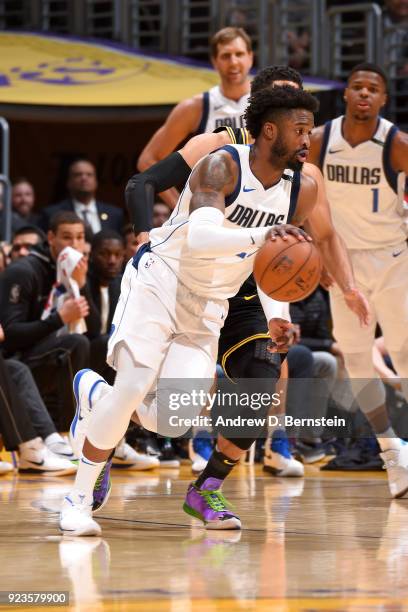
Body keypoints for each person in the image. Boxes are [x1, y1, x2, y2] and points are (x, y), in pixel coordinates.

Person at [60, 85, 368, 536]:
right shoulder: (222, 163)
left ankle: (93, 397)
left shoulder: (299, 190)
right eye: (299, 129)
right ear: (269, 130)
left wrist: (278, 312)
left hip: (211, 303)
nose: (307, 140)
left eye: (310, 130)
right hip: (162, 279)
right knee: (133, 384)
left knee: (174, 419)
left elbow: (270, 266)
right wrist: (264, 238)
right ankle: (78, 499)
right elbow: (204, 238)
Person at [309, 62, 408, 498]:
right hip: (342, 263)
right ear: (345, 94)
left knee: (405, 359)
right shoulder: (318, 141)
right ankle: (391, 453)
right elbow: (302, 201)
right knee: (355, 361)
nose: (365, 94)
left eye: (374, 89)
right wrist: (318, 254)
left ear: (383, 100)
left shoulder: (397, 144)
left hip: (392, 261)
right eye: (358, 87)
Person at [137, 27, 253, 207]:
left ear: (250, 57)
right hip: (214, 206)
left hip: (257, 205)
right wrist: (180, 206)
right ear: (214, 61)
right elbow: (148, 160)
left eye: (239, 54)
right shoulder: (196, 107)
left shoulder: (268, 101)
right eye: (225, 56)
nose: (233, 62)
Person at [0, 211, 92, 430]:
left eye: (80, 237)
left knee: (107, 347)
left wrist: (81, 284)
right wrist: (58, 319)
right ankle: (71, 432)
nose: (75, 244)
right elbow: (10, 335)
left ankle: (118, 436)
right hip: (18, 360)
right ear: (51, 238)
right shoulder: (24, 271)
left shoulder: (74, 269)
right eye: (67, 237)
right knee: (75, 345)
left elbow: (94, 330)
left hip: (47, 350)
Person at [41, 159, 124, 235]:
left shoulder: (115, 214)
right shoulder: (52, 214)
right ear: (68, 182)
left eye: (89, 174)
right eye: (78, 175)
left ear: (96, 182)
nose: (84, 178)